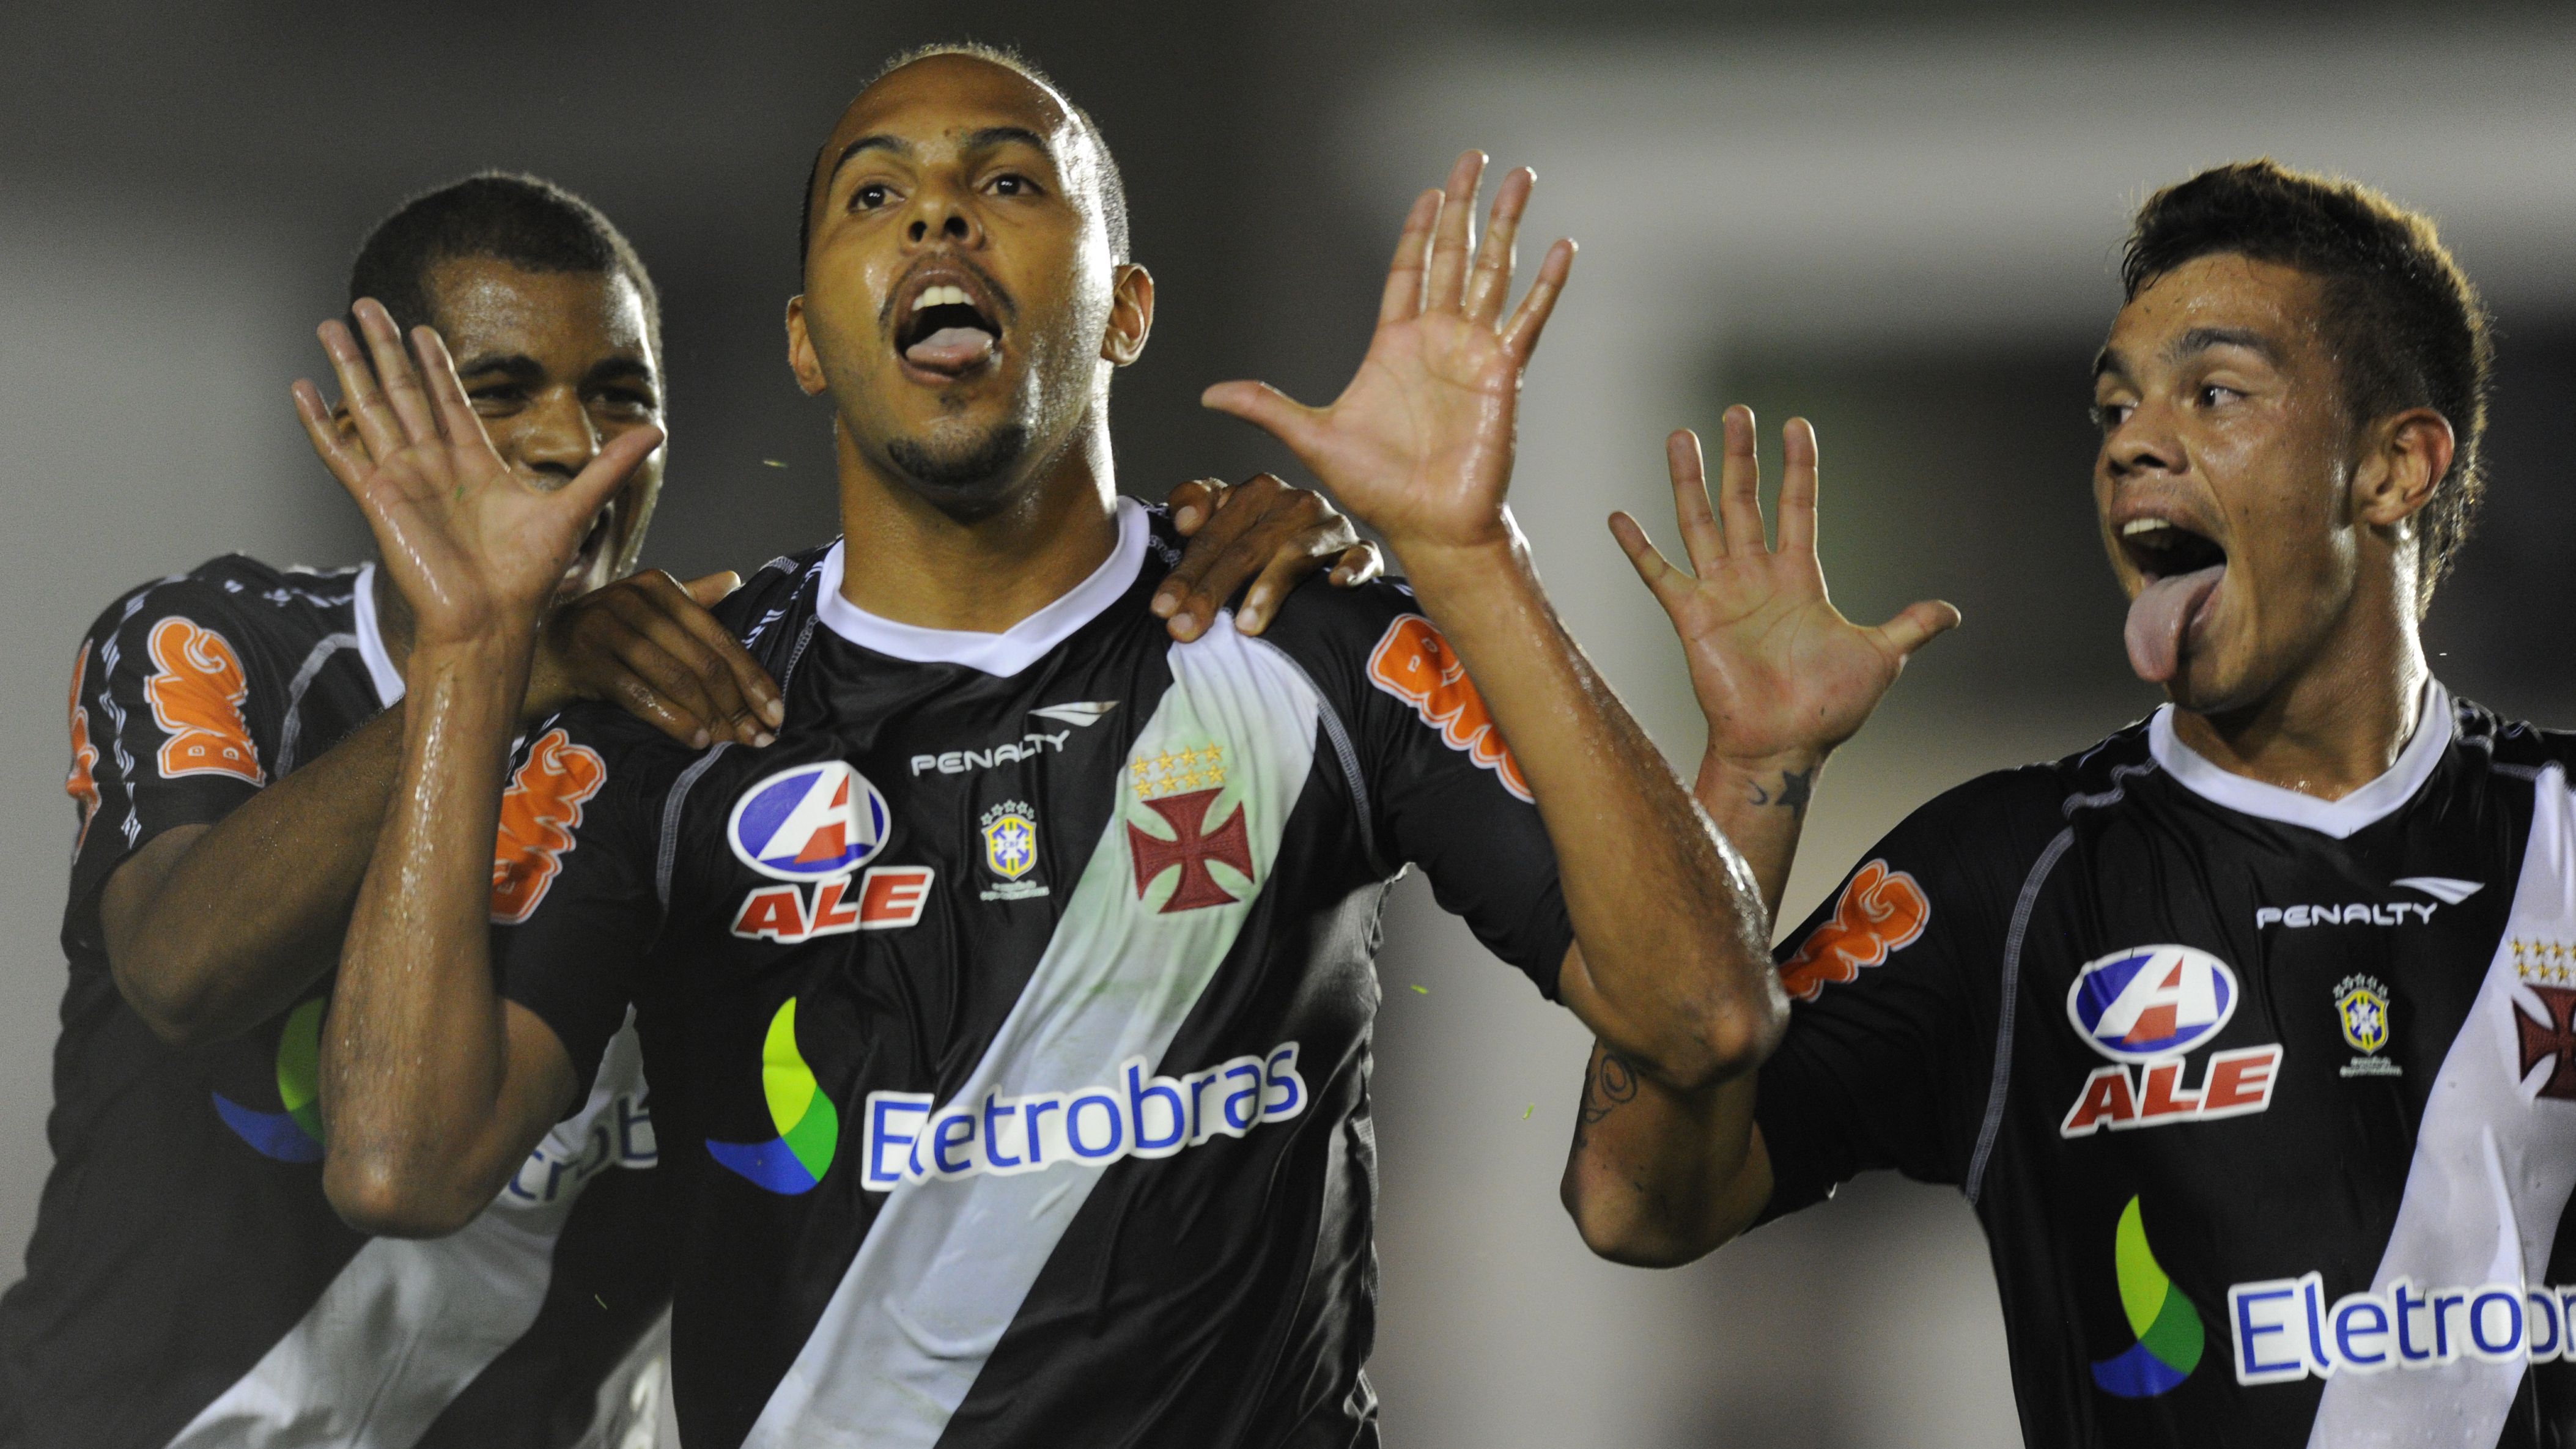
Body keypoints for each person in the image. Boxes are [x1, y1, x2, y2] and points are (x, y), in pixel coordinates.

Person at [304, 43, 1783, 1449]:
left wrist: (1465, 556)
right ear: (806, 345)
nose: (938, 209)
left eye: (1009, 182)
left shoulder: (1306, 640)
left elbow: (1703, 1015)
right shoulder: (683, 706)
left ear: (1125, 309)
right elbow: (399, 1163)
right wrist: (472, 655)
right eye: (874, 195)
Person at [5, 169, 1374, 1449]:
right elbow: (180, 972)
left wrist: (1252, 562)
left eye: (618, 395)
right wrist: (500, 663)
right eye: (503, 392)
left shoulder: (727, 724)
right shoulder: (223, 645)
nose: (569, 442)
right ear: (368, 434)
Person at [1562, 160, 2576, 1446]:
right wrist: (1755, 768)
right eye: (2114, 410)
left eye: (2213, 394)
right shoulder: (2009, 879)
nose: (2133, 444)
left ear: (2392, 469)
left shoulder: (2562, 834)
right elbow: (1634, 1198)